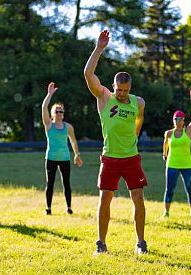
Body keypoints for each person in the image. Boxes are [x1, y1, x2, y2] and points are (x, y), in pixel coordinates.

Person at [84, 30, 148, 255]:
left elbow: (139, 118)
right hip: (110, 156)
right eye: (119, 90)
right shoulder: (104, 97)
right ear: (113, 86)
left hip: (131, 157)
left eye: (125, 91)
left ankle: (141, 243)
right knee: (105, 197)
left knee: (138, 197)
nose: (122, 94)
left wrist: (136, 133)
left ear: (130, 89)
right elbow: (88, 74)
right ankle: (101, 243)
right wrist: (99, 48)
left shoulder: (137, 102)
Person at [42, 82, 83, 215]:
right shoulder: (48, 125)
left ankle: (69, 208)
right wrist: (49, 94)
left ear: (63, 114)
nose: (59, 113)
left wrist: (77, 154)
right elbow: (43, 107)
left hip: (64, 158)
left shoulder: (68, 127)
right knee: (50, 184)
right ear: (53, 114)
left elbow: (73, 141)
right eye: (56, 111)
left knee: (67, 184)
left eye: (61, 111)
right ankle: (48, 208)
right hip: (51, 158)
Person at [162, 90, 191, 219]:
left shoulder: (188, 131)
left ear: (184, 120)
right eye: (175, 119)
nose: (177, 121)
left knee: (190, 189)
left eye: (179, 119)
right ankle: (166, 212)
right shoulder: (168, 133)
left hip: (187, 164)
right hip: (172, 164)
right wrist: (165, 155)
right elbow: (165, 145)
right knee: (170, 189)